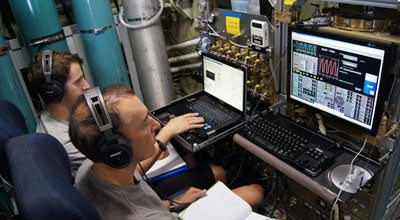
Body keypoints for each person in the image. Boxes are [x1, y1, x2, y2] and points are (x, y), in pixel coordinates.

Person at [27, 51, 264, 206]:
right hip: (139, 197)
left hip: (131, 194)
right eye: (79, 82)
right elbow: (126, 177)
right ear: (53, 93)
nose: (88, 86)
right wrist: (176, 203)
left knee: (189, 155)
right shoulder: (65, 140)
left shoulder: (64, 123)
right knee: (243, 185)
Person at [69, 85, 264, 219]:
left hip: (167, 210)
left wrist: (174, 203)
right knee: (256, 191)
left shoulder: (91, 169)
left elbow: (138, 194)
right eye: (145, 123)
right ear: (118, 151)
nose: (156, 125)